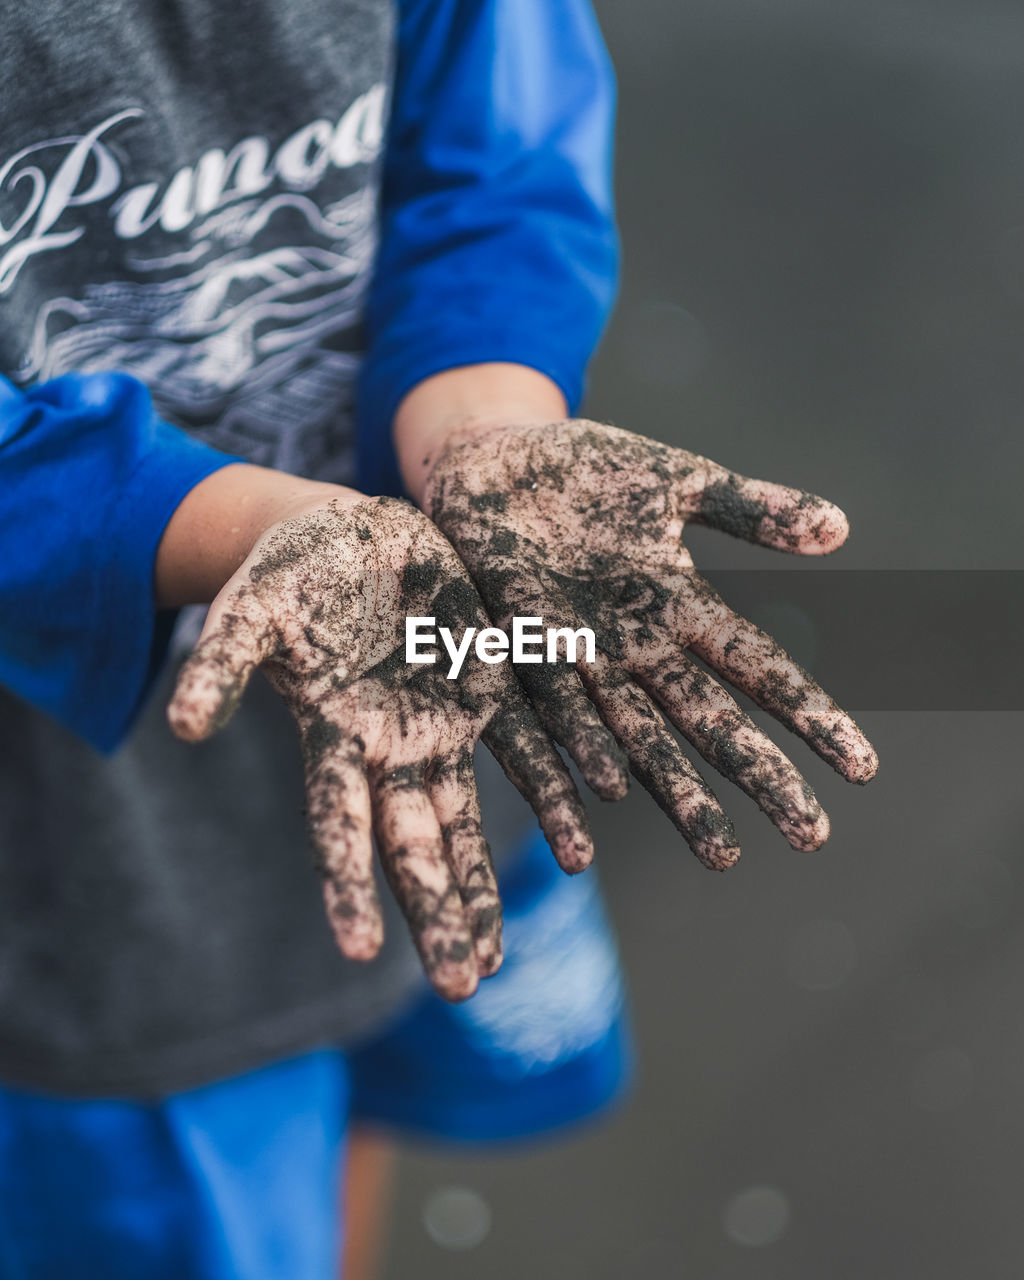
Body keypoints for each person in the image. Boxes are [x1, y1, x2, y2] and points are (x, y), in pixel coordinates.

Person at [0, 2, 876, 1277]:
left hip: (427, 660)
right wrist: (224, 525)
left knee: (380, 1044)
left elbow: (494, 170)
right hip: (85, 832)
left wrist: (484, 432)